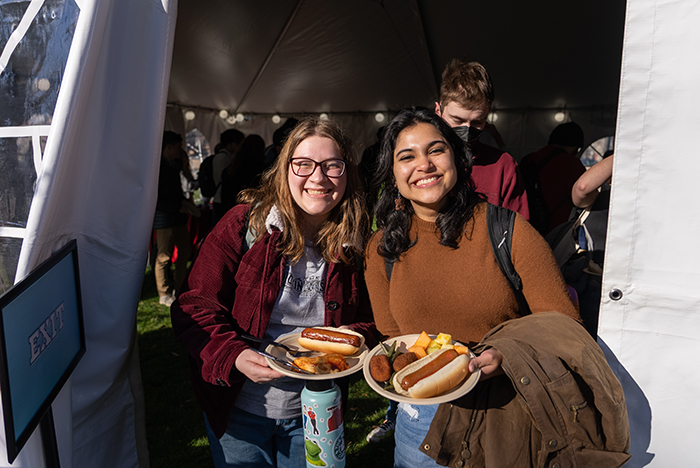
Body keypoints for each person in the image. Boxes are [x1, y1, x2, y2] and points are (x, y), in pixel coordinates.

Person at [364, 107, 582, 467]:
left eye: (436, 150)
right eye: (407, 156)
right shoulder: (381, 247)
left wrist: (506, 356)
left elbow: (565, 325)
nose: (424, 164)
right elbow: (392, 336)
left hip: (504, 411)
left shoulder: (507, 231)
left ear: (456, 157)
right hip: (421, 424)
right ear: (393, 173)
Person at [170, 117, 378, 468]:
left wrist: (352, 336)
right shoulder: (244, 225)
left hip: (316, 408)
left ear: (347, 173)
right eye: (304, 164)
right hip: (239, 408)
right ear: (284, 170)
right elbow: (195, 305)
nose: (318, 177)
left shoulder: (358, 244)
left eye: (332, 165)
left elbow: (377, 320)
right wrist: (233, 355)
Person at [434, 59, 529, 219]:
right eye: (457, 120)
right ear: (438, 110)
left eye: (478, 122)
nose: (466, 129)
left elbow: (519, 231)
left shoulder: (503, 166)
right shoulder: (418, 163)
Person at [154, 131, 200, 306]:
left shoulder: (175, 165)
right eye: (178, 147)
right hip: (165, 217)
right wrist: (177, 207)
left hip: (179, 216)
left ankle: (180, 288)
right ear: (169, 147)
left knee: (184, 253)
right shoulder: (158, 168)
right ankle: (164, 293)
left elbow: (185, 184)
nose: (181, 150)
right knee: (164, 256)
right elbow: (156, 197)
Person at [520, 121, 587, 235]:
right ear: (576, 146)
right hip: (556, 231)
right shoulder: (571, 163)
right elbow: (584, 195)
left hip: (525, 227)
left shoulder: (529, 159)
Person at [220, 134, 266, 214]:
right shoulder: (262, 170)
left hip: (233, 210)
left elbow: (225, 195)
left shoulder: (231, 168)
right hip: (254, 211)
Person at [212, 129, 245, 223]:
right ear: (231, 144)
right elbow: (223, 178)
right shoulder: (223, 157)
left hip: (221, 198)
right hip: (221, 199)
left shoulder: (224, 156)